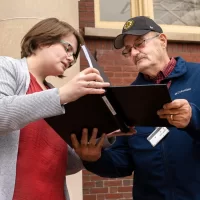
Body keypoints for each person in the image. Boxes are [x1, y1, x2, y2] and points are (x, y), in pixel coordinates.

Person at [71, 16, 200, 200]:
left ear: (162, 41)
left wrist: (193, 118)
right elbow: (124, 162)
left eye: (140, 43)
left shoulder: (198, 76)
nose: (134, 53)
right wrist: (95, 159)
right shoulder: (129, 98)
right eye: (128, 50)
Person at [0, 17, 110, 200]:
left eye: (73, 55)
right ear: (42, 40)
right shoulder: (6, 67)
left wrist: (95, 143)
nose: (70, 58)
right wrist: (63, 94)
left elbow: (63, 163)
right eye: (67, 48)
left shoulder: (57, 96)